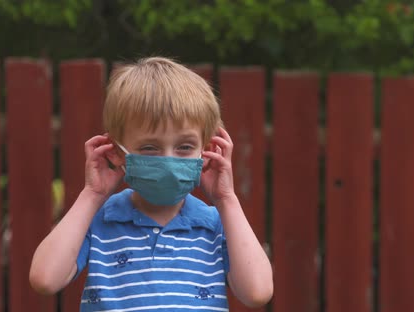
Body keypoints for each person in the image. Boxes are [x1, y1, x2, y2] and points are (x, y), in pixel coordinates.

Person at [29, 56, 273, 311]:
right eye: (150, 147)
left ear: (208, 150)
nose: (168, 159)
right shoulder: (99, 220)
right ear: (116, 151)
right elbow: (45, 279)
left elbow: (258, 292)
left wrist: (226, 199)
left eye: (185, 147)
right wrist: (92, 194)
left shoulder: (216, 224)